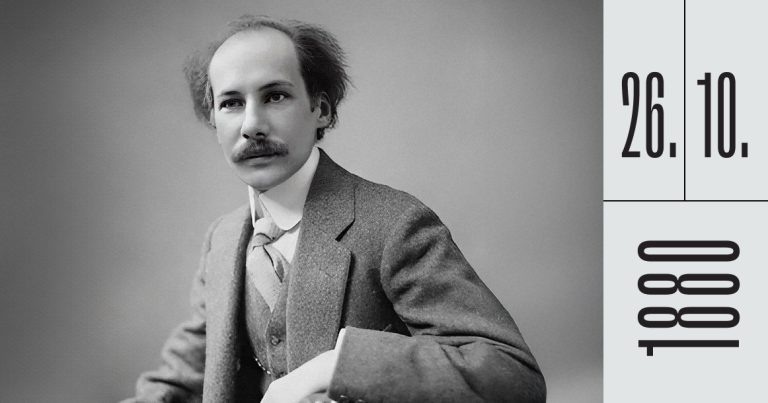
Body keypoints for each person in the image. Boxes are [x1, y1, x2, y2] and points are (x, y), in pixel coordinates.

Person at [125, 15, 546, 403]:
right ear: (214, 121)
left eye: (275, 96)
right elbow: (182, 379)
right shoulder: (222, 239)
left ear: (321, 110)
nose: (251, 125)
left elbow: (513, 375)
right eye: (231, 103)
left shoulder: (393, 224)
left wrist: (334, 367)